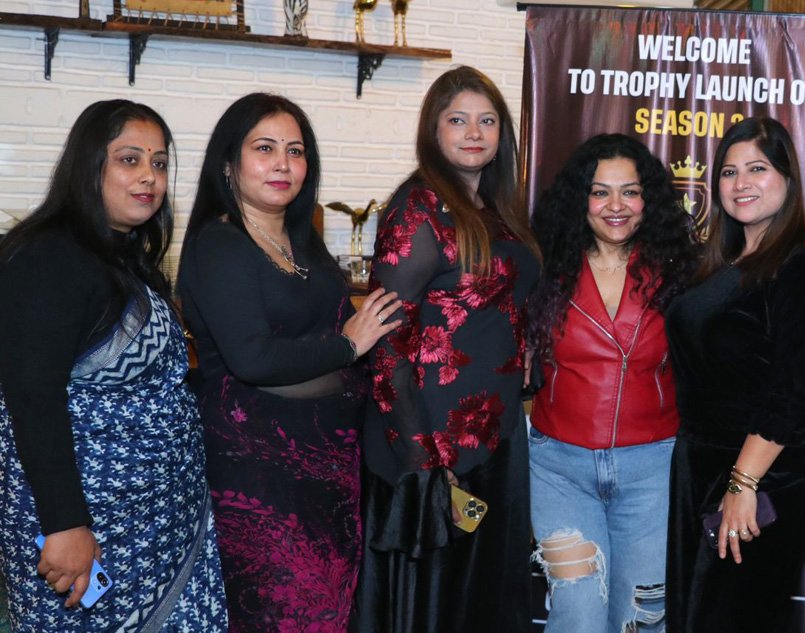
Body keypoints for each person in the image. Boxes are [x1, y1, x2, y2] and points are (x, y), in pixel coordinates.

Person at [0, 100, 227, 630]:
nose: (150, 176)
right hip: (88, 528)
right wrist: (65, 524)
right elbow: (32, 397)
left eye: (159, 163)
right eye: (130, 159)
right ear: (89, 165)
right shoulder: (46, 257)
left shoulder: (125, 257)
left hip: (157, 522)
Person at [178, 93, 400, 630]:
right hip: (261, 471)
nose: (282, 163)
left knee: (330, 608)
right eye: (265, 148)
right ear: (228, 164)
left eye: (295, 151)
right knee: (280, 612)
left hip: (329, 465)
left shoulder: (301, 240)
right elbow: (252, 358)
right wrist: (348, 346)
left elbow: (335, 325)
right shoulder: (220, 244)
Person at [353, 65, 540, 633]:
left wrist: (525, 346)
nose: (474, 132)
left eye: (487, 120)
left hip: (495, 439)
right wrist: (425, 464)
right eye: (457, 120)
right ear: (433, 129)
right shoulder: (419, 209)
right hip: (431, 446)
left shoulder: (498, 208)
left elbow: (505, 302)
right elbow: (385, 346)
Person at [663, 116, 805, 632]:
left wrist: (743, 484)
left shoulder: (801, 265)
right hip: (702, 465)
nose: (741, 183)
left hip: (764, 474)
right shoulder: (716, 262)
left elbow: (795, 388)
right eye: (729, 171)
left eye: (757, 169)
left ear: (788, 178)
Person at [526, 133, 696, 632]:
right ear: (581, 200)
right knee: (577, 613)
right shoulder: (545, 267)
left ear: (649, 199)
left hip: (653, 471)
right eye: (600, 192)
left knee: (639, 619)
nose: (615, 206)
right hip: (559, 470)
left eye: (630, 192)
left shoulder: (681, 272)